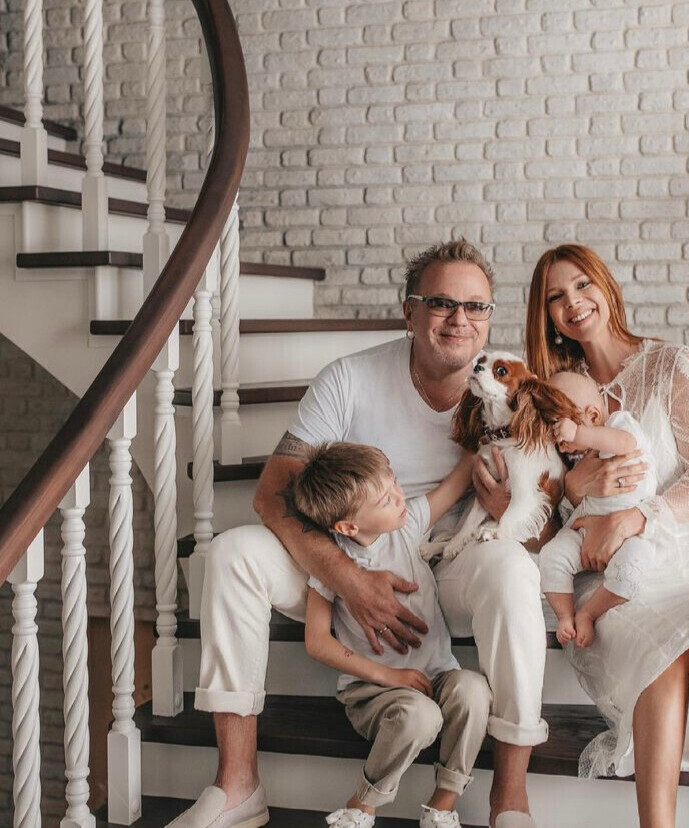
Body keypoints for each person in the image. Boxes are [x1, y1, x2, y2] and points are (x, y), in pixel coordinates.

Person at [168, 240, 551, 828]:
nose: (460, 320)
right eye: (442, 302)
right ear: (409, 310)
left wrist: (508, 512)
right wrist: (346, 577)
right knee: (232, 553)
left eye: (476, 306)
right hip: (351, 551)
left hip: (448, 565)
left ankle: (511, 799)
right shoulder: (350, 378)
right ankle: (238, 784)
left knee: (514, 571)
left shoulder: (510, 392)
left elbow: (548, 505)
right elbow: (272, 493)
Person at [523, 243, 689, 828]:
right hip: (605, 577)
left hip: (681, 558)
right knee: (663, 646)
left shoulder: (671, 365)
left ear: (606, 287)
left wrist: (636, 517)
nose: (573, 303)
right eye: (556, 297)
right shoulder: (554, 395)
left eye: (582, 285)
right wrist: (572, 489)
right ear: (547, 316)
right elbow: (541, 512)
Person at [295, 441, 491, 828]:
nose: (400, 497)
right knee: (420, 716)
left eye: (395, 482)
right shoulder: (334, 565)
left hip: (437, 676)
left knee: (474, 691)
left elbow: (458, 480)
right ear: (348, 527)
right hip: (373, 691)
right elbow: (317, 642)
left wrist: (486, 436)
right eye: (386, 499)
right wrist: (389, 676)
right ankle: (361, 806)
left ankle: (442, 806)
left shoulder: (409, 522)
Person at [538, 371, 658, 647]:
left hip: (629, 534)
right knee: (551, 556)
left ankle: (589, 613)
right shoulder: (580, 457)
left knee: (635, 565)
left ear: (592, 416)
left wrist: (579, 434)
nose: (561, 444)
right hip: (584, 530)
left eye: (562, 430)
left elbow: (626, 444)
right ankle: (566, 615)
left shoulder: (620, 424)